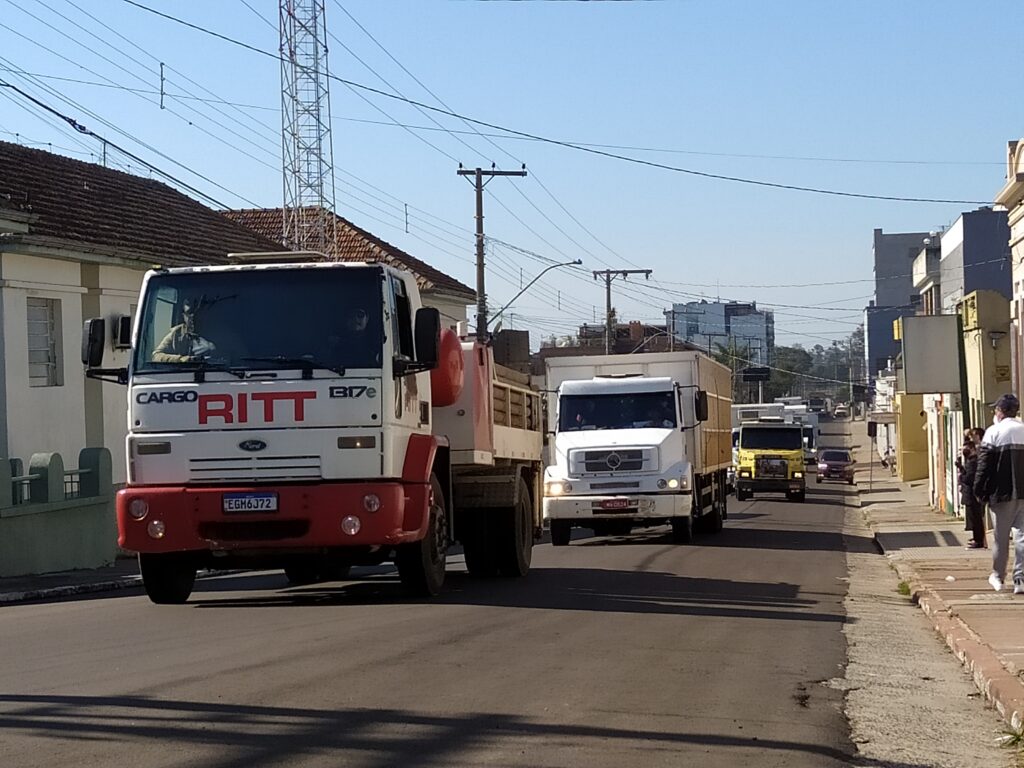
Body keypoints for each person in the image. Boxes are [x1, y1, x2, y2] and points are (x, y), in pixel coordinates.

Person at [973, 394, 1024, 594]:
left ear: (1000, 412)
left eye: (996, 409)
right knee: (1022, 537)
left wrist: (979, 490)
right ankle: (1020, 579)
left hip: (1000, 494)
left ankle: (998, 576)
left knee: (1000, 538)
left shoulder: (993, 432)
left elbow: (983, 464)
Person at [152, 297, 217, 363]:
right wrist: (181, 359)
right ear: (183, 315)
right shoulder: (176, 333)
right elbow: (156, 356)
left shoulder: (215, 332)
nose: (192, 317)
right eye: (189, 313)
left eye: (196, 312)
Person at [956, 427, 987, 549]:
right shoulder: (971, 460)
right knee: (973, 518)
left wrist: (962, 476)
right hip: (971, 493)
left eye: (967, 448)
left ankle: (979, 540)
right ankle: (977, 538)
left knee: (976, 518)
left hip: (972, 494)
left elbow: (969, 478)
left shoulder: (973, 461)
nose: (964, 449)